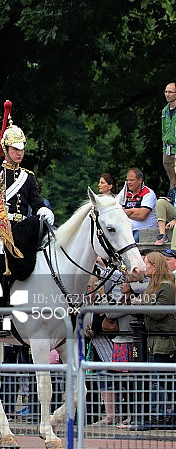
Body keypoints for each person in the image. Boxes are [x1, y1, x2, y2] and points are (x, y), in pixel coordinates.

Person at [0, 104, 54, 337]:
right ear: (6, 149)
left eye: (21, 149)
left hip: (22, 229)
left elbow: (36, 202)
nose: (19, 153)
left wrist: (43, 212)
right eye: (15, 149)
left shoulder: (28, 178)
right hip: (0, 230)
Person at [132, 251, 176, 430]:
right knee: (158, 380)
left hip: (165, 341)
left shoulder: (167, 287)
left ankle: (168, 416)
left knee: (166, 381)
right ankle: (160, 416)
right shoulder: (153, 286)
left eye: (148, 264)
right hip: (153, 340)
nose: (145, 267)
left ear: (156, 266)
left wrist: (140, 305)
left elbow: (159, 312)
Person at [122, 167, 157, 243]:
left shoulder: (148, 193)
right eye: (127, 180)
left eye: (131, 180)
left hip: (144, 231)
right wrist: (134, 210)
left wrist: (126, 212)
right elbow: (118, 213)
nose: (128, 182)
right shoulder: (126, 194)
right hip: (127, 231)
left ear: (140, 180)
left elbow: (141, 216)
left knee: (129, 245)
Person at [162, 82, 176, 191]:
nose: (167, 94)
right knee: (173, 181)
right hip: (167, 149)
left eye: (170, 92)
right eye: (166, 92)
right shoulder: (165, 111)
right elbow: (164, 131)